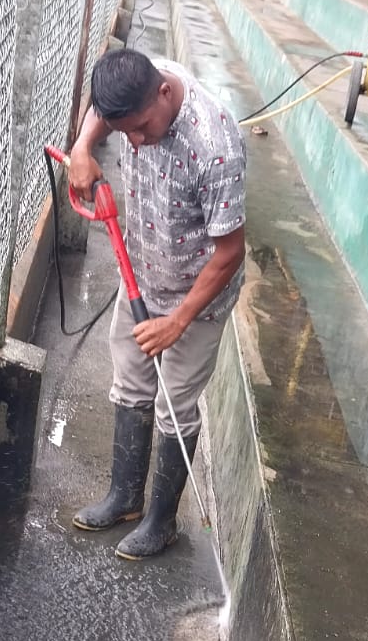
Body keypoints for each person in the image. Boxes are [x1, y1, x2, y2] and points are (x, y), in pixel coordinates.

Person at [67, 49, 246, 559]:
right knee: (130, 383)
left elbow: (231, 253)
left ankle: (161, 522)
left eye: (143, 128)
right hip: (141, 275)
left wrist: (178, 322)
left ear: (164, 92)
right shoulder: (135, 84)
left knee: (174, 406)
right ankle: (124, 498)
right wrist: (82, 146)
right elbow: (104, 109)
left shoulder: (215, 147)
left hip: (197, 296)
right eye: (126, 133)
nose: (138, 142)